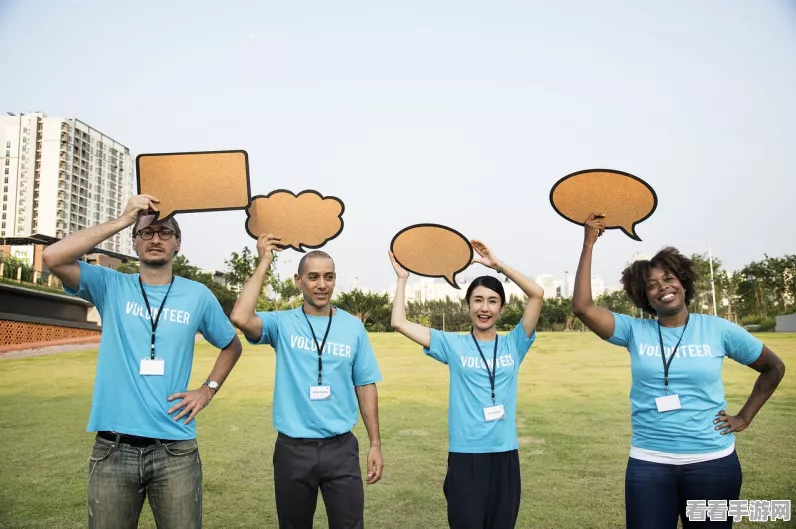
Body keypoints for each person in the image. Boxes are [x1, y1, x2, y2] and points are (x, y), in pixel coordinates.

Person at [571, 213, 786, 529]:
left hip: (712, 463)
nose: (663, 288)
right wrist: (588, 242)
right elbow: (582, 308)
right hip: (649, 464)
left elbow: (773, 368)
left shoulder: (718, 329)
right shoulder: (634, 331)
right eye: (652, 285)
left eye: (669, 279)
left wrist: (744, 417)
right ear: (644, 297)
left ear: (683, 283)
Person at [42, 194, 243, 529]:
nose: (155, 239)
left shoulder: (198, 296)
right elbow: (52, 256)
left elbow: (231, 345)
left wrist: (207, 390)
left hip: (176, 451)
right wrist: (123, 219)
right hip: (112, 449)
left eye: (165, 233)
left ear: (178, 244)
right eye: (146, 232)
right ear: (133, 244)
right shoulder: (110, 285)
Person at [229, 234, 383, 529]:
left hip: (341, 448)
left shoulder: (352, 327)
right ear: (298, 280)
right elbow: (240, 316)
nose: (322, 284)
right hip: (293, 450)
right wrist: (264, 261)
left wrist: (375, 443)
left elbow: (365, 385)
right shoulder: (282, 323)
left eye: (328, 277)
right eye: (313, 277)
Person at [388, 240, 544, 529]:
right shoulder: (453, 345)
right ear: (468, 304)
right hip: (465, 456)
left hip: (504, 455)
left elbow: (537, 294)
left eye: (492, 301)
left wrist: (498, 265)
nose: (485, 308)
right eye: (478, 300)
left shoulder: (515, 343)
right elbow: (399, 321)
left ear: (501, 307)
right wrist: (402, 279)